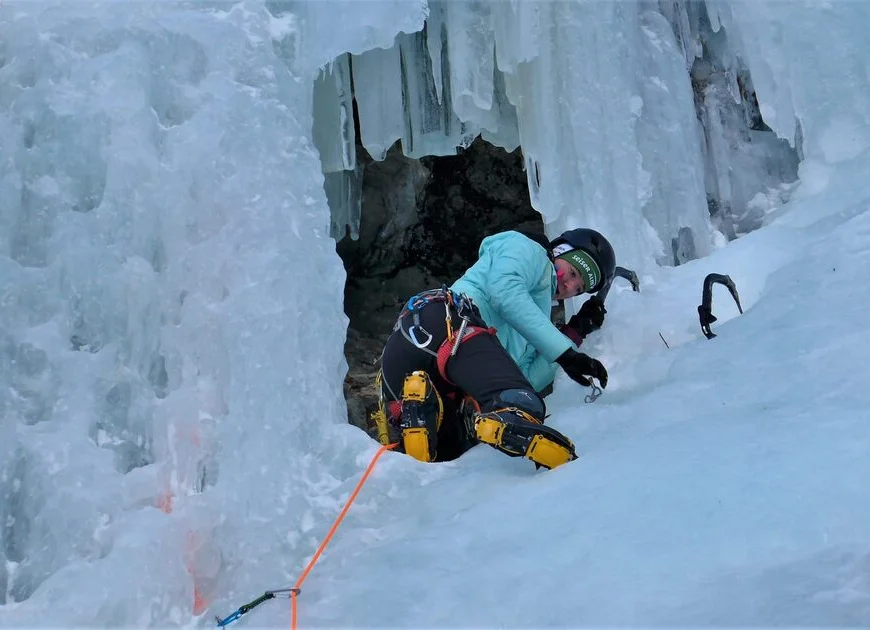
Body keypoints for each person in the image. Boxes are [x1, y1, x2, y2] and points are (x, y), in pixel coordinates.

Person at [372, 228, 615, 470]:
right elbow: (505, 292)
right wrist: (565, 353)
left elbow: (522, 378)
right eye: (572, 272)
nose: (569, 285)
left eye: (578, 288)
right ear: (559, 251)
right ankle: (563, 465)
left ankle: (418, 417)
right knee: (517, 405)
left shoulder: (534, 316)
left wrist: (574, 333)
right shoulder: (529, 250)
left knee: (449, 460)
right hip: (447, 322)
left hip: (410, 362)